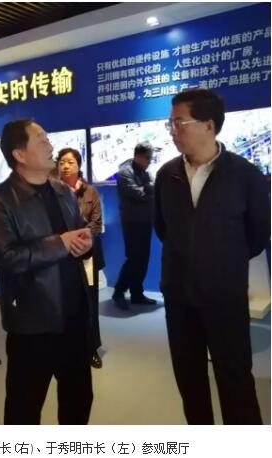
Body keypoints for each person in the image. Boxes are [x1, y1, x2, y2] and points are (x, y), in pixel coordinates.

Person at [155, 88, 270, 424]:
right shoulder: (166, 175)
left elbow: (257, 235)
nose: (173, 131)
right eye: (170, 124)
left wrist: (221, 261)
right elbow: (163, 229)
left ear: (208, 124)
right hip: (179, 297)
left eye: (179, 123)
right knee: (189, 381)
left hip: (225, 296)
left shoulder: (244, 175)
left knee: (236, 380)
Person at [0, 119, 94, 424]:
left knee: (78, 400)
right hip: (32, 323)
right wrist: (59, 244)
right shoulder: (0, 201)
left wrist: (85, 242)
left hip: (74, 316)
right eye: (42, 140)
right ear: (20, 154)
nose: (50, 145)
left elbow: (77, 233)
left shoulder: (62, 191)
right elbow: (3, 258)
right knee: (24, 408)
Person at [58, 147, 105, 369]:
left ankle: (92, 347)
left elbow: (97, 222)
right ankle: (70, 347)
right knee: (66, 300)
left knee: (90, 300)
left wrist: (80, 239)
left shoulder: (90, 191)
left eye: (70, 162)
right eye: (61, 162)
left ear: (78, 165)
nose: (65, 166)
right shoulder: (53, 191)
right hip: (63, 254)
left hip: (86, 254)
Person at [112, 142, 157, 310]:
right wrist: (150, 189)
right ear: (138, 156)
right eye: (147, 157)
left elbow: (150, 191)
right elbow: (139, 194)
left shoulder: (145, 172)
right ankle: (118, 292)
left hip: (145, 221)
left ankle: (137, 293)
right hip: (132, 222)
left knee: (143, 259)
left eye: (151, 158)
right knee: (134, 259)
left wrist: (149, 189)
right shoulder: (124, 173)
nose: (150, 161)